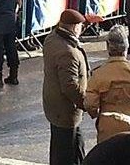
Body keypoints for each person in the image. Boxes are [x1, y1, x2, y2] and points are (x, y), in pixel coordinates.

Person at [85, 25, 130, 143]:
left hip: (108, 127)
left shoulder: (98, 74)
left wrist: (96, 114)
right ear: (126, 48)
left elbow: (90, 104)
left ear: (108, 48)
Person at [42, 9, 89, 165]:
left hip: (54, 106)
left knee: (71, 146)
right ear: (75, 27)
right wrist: (88, 104)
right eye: (80, 26)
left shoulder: (52, 39)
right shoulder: (68, 52)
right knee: (66, 154)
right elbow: (70, 86)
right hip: (66, 110)